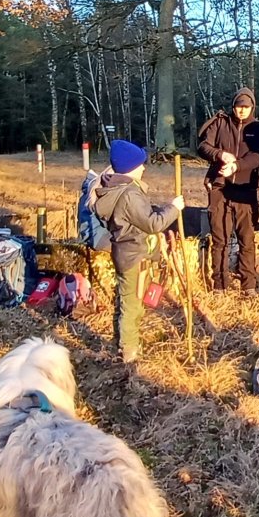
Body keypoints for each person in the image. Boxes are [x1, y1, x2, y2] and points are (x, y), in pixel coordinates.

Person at [93, 140, 184, 363]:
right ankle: (129, 353)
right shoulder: (129, 195)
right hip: (133, 255)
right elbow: (153, 224)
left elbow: (141, 217)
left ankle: (124, 344)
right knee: (131, 304)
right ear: (131, 167)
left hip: (126, 252)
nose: (144, 168)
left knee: (126, 301)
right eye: (141, 164)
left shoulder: (119, 190)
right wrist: (174, 208)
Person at [198, 87, 259, 293]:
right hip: (220, 189)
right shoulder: (220, 123)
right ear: (233, 107)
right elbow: (203, 146)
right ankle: (219, 284)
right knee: (220, 239)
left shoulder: (257, 128)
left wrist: (237, 165)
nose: (242, 111)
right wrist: (220, 154)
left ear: (252, 107)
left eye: (246, 107)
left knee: (247, 239)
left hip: (245, 191)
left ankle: (249, 284)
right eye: (239, 107)